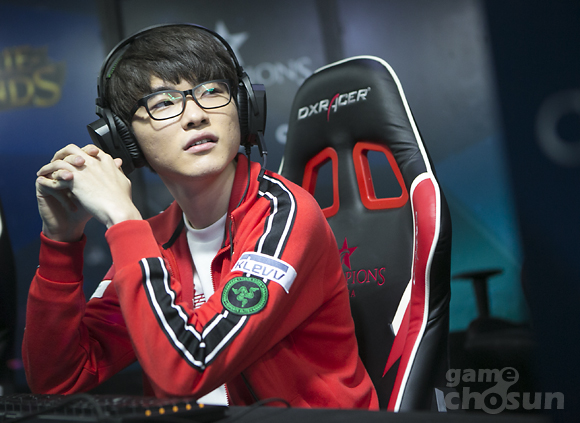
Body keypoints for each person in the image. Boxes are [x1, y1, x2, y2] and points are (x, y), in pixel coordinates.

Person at [22, 24, 378, 409]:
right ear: (124, 138)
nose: (195, 115)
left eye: (211, 92)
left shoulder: (284, 215)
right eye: (163, 102)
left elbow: (189, 370)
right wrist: (61, 243)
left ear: (243, 108)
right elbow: (57, 378)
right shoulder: (155, 240)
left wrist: (122, 219)